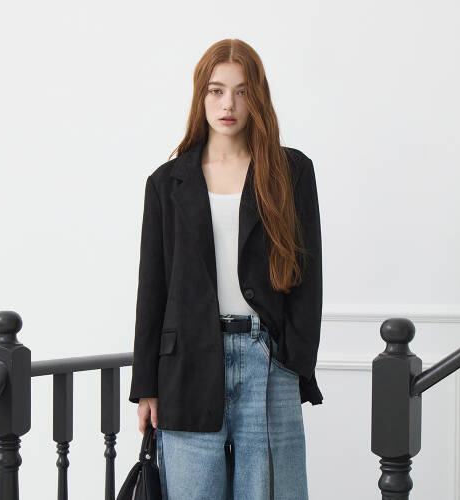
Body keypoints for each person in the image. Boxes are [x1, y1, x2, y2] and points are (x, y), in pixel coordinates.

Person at [129, 38, 323, 500]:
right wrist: (146, 387)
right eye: (216, 91)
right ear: (201, 96)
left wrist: (293, 361)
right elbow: (152, 288)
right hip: (187, 366)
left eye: (241, 91)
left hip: (267, 361)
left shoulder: (291, 171)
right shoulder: (166, 182)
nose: (228, 105)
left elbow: (308, 276)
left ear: (258, 98)